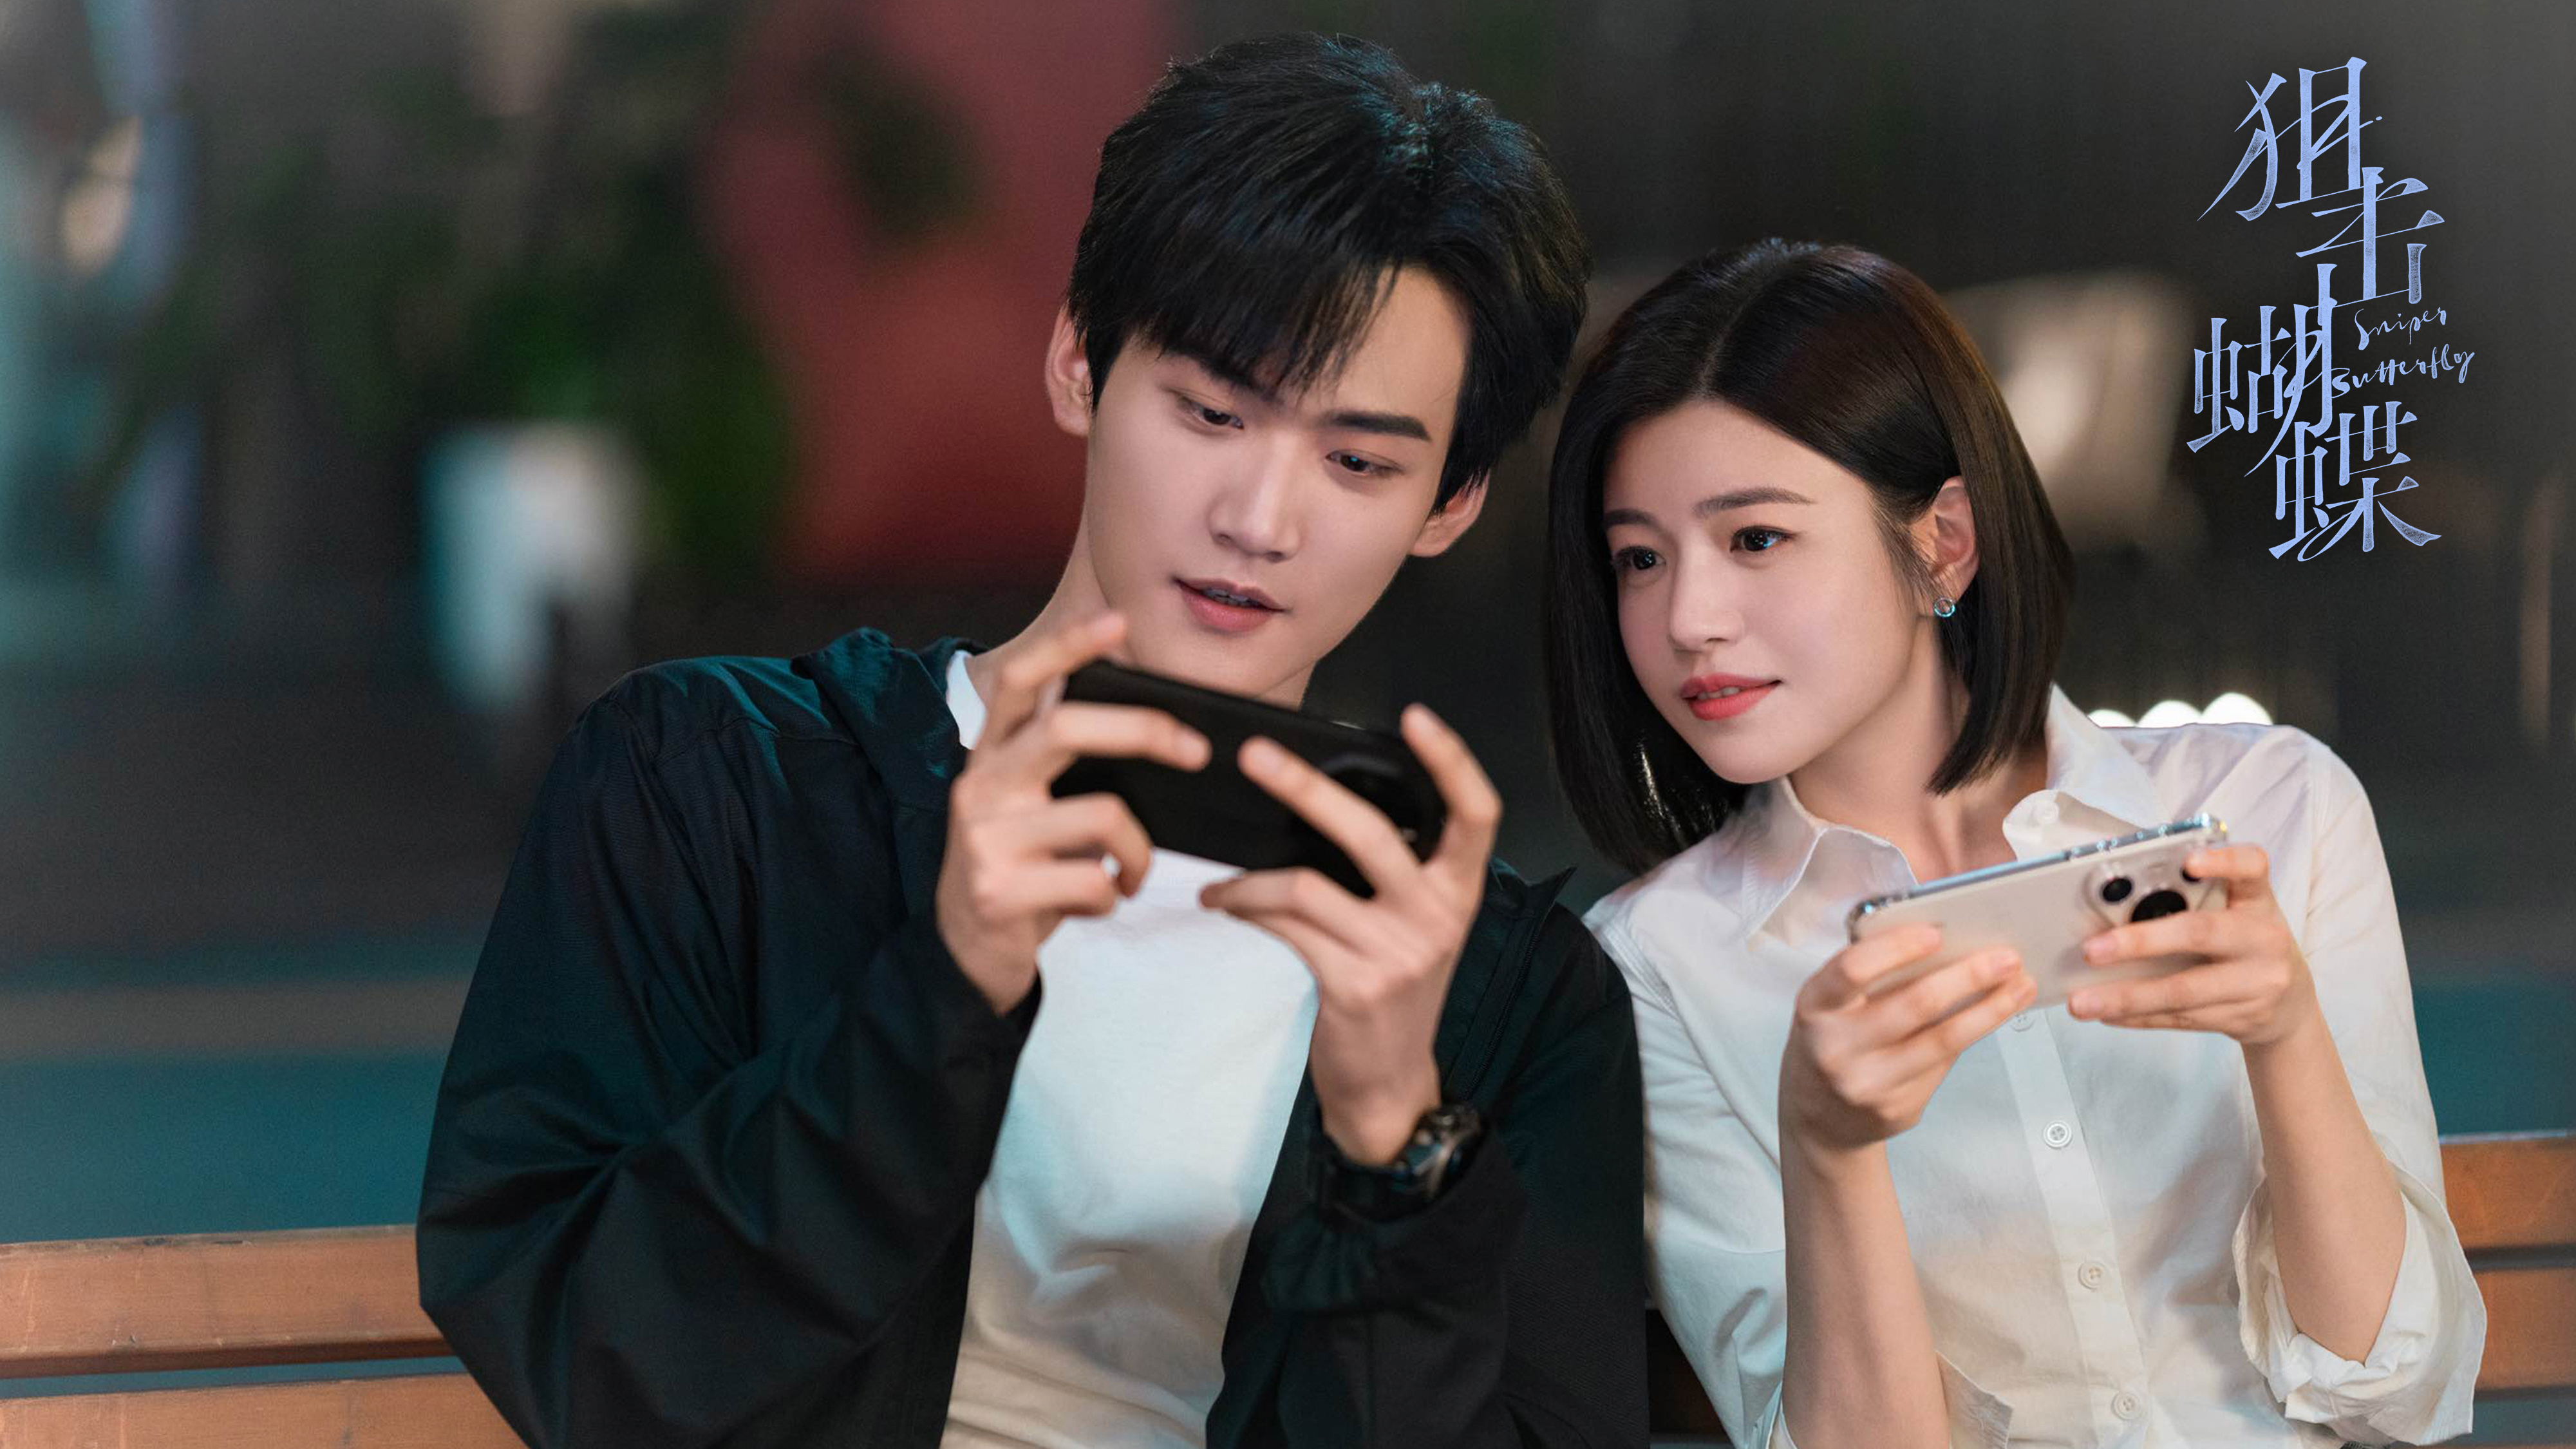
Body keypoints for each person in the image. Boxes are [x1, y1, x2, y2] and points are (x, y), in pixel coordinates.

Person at [417, 32, 1646, 1449]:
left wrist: (1392, 1147)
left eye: (1358, 461)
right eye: (1210, 411)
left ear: (1452, 501)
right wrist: (941, 993)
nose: (1260, 519)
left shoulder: (1504, 998)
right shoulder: (712, 786)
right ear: (1077, 363)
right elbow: (587, 1354)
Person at [1545, 238, 2483, 1449]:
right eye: (1639, 557)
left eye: (1755, 538)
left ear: (1944, 540)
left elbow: (2398, 1400)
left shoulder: (2272, 805)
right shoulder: (1657, 967)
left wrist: (2283, 1032)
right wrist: (1828, 1148)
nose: (1687, 617)